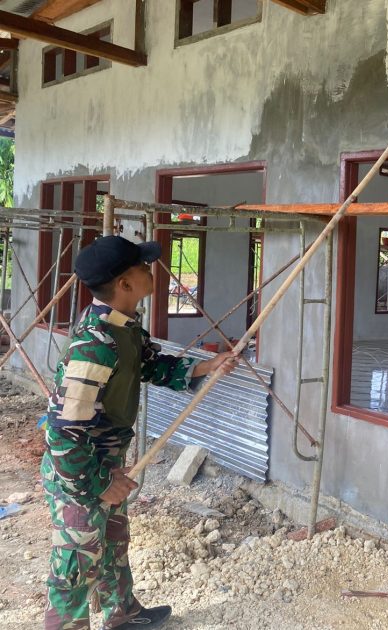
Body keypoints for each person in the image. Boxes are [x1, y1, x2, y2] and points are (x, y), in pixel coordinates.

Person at [41, 236, 237, 630]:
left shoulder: (124, 328)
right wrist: (96, 484)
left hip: (105, 462)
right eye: (143, 267)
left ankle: (122, 614)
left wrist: (205, 367)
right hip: (79, 471)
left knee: (113, 542)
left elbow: (148, 364)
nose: (152, 271)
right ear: (125, 285)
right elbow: (63, 433)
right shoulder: (93, 346)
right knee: (76, 565)